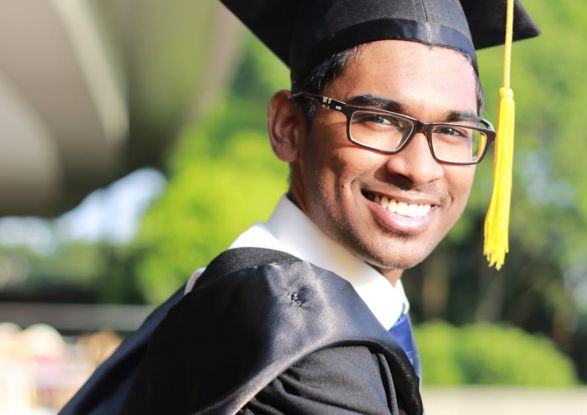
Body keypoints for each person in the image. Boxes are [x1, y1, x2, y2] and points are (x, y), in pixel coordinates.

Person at [61, 0, 539, 413]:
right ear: (288, 126)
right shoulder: (294, 344)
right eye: (376, 119)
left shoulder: (248, 303)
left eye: (454, 132)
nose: (419, 168)